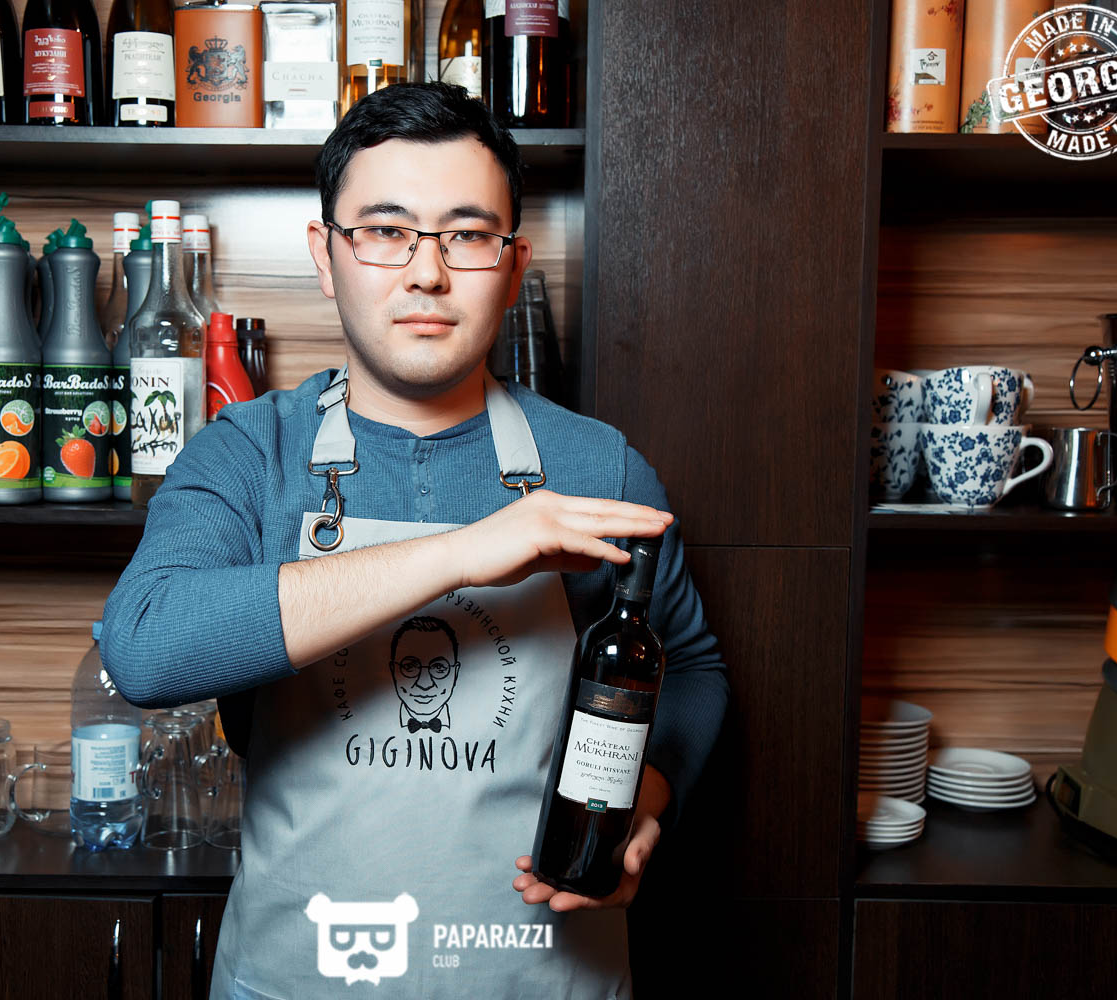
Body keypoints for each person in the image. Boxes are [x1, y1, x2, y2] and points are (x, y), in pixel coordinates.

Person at [100, 82, 728, 1000]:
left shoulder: (600, 466)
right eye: (385, 231)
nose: (426, 273)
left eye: (467, 236)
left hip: (543, 978)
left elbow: (692, 667)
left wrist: (646, 795)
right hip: (302, 977)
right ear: (325, 255)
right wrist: (461, 554)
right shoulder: (250, 454)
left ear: (512, 264)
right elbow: (146, 646)